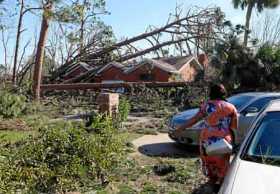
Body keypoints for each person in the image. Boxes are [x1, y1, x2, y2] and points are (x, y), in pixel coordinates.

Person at [174, 83, 238, 190]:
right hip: (225, 140)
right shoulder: (231, 108)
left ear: (211, 93)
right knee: (223, 163)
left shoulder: (206, 106)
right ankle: (222, 186)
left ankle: (212, 183)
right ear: (224, 93)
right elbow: (234, 127)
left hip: (207, 140)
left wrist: (179, 129)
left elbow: (194, 120)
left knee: (209, 162)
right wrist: (234, 143)